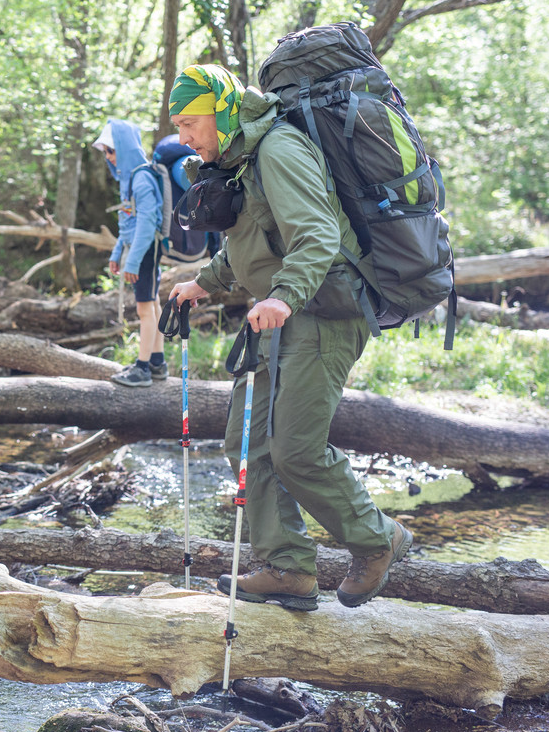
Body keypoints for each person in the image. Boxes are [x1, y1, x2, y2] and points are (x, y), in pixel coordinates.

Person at [166, 64, 412, 609]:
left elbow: (318, 234)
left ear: (223, 110)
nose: (182, 137)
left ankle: (379, 539)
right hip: (281, 314)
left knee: (296, 451)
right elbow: (252, 239)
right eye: (178, 126)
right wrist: (203, 285)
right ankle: (287, 567)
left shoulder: (278, 150)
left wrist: (281, 296)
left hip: (323, 311)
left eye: (189, 122)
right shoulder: (241, 156)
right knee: (247, 444)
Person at [96, 118, 167, 387]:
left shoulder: (141, 178)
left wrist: (133, 262)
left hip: (146, 251)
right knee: (153, 305)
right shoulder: (130, 179)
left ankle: (142, 369)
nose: (108, 158)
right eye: (105, 152)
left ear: (124, 148)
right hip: (141, 249)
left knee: (144, 310)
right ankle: (157, 363)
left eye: (111, 151)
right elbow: (128, 224)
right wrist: (117, 254)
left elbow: (148, 225)